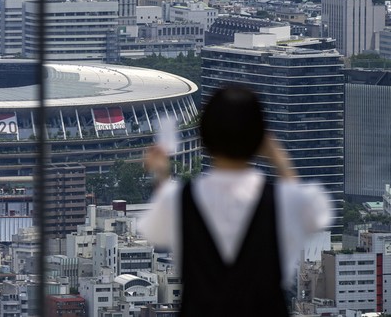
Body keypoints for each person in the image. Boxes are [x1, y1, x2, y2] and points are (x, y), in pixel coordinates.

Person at [137, 86, 331, 316]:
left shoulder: (178, 200)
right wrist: (278, 157)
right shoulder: (285, 200)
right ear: (260, 139)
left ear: (204, 139)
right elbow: (317, 215)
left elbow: (154, 233)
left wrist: (161, 175)